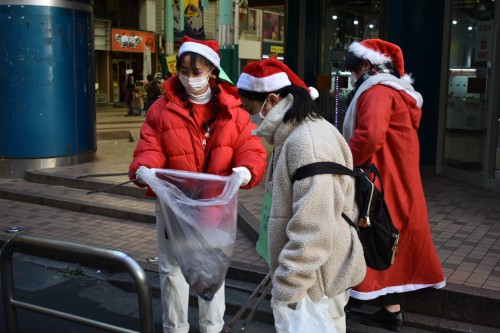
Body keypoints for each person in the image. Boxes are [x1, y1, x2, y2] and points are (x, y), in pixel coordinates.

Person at [128, 36, 267, 333]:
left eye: (197, 71)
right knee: (172, 270)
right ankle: (175, 328)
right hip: (172, 207)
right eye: (184, 70)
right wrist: (145, 168)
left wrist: (246, 170)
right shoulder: (161, 109)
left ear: (212, 72)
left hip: (214, 208)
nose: (190, 78)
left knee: (212, 272)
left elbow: (250, 149)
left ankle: (211, 327)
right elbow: (151, 146)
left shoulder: (234, 112)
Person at [236, 59, 366, 333]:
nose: (250, 117)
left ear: (271, 100)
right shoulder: (297, 133)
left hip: (315, 281)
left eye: (250, 109)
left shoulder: (306, 143)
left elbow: (314, 228)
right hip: (315, 274)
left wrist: (287, 287)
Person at [343, 39, 446, 332]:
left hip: (381, 178)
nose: (352, 76)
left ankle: (358, 302)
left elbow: (370, 135)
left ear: (365, 64)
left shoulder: (377, 91)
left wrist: (344, 160)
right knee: (391, 237)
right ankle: (391, 309)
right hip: (399, 176)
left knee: (374, 234)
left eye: (354, 68)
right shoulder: (398, 92)